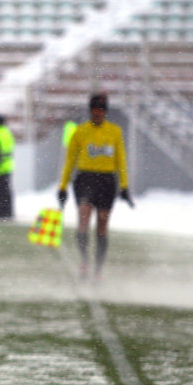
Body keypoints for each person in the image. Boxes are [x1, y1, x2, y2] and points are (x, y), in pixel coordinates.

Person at [57, 93, 133, 280]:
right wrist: (63, 186)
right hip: (85, 178)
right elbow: (70, 161)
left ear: (105, 112)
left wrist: (124, 185)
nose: (97, 113)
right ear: (90, 110)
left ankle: (98, 269)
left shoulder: (115, 132)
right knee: (83, 217)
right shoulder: (80, 132)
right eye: (94, 109)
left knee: (102, 223)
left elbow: (120, 160)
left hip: (106, 181)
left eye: (100, 109)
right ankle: (84, 261)